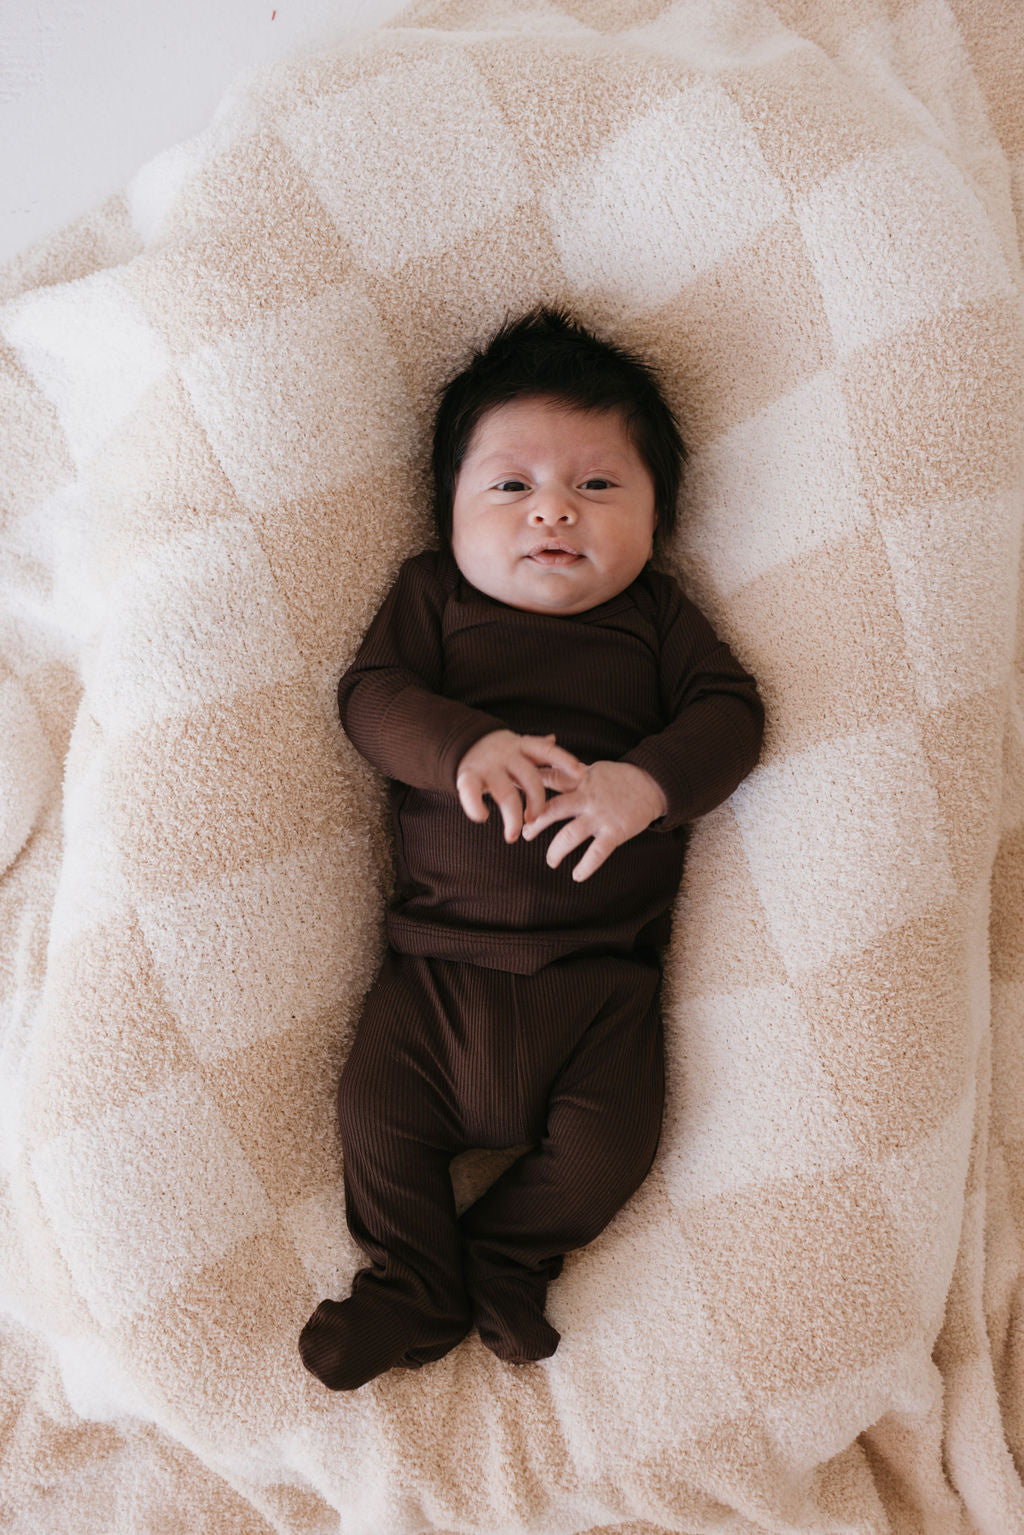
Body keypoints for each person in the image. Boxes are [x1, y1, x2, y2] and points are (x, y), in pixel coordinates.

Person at [299, 307, 764, 1390]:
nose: (553, 506)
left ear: (657, 520)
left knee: (613, 1146)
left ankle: (508, 1252)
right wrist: (462, 744)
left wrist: (641, 783)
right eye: (510, 485)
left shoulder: (656, 621)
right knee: (371, 1114)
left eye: (598, 485)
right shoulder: (435, 600)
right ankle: (412, 1279)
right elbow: (369, 700)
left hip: (600, 988)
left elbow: (730, 716)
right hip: (433, 976)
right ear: (449, 516)